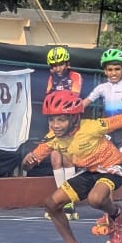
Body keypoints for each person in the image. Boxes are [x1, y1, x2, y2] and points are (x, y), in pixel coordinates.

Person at [22, 91, 122, 243]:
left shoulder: (92, 126)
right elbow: (31, 161)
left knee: (96, 199)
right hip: (91, 171)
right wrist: (28, 162)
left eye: (61, 119)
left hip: (113, 167)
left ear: (74, 119)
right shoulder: (52, 138)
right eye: (51, 119)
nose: (55, 125)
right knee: (51, 204)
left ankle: (117, 215)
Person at [81, 48, 122, 230]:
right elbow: (86, 101)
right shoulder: (102, 88)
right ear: (105, 71)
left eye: (117, 69)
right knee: (106, 175)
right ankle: (109, 214)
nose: (113, 73)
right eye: (110, 69)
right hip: (107, 133)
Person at [43, 46, 83, 216]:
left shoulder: (75, 76)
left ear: (67, 63)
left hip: (71, 121)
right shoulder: (51, 77)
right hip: (55, 121)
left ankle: (69, 201)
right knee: (55, 160)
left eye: (59, 64)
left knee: (67, 160)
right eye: (53, 65)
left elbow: (73, 98)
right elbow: (47, 97)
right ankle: (61, 198)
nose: (56, 68)